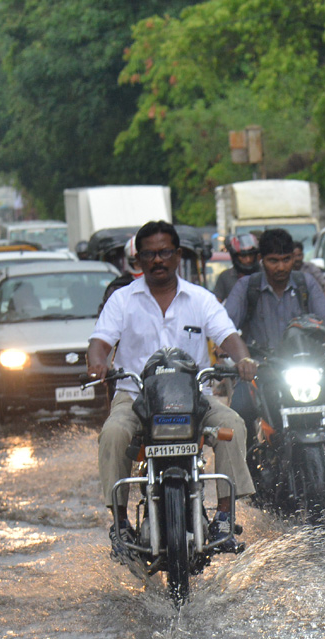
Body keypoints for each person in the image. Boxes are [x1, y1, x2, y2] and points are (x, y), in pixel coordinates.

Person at [87, 220, 257, 556]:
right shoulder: (122, 300)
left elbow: (228, 336)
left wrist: (244, 360)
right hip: (135, 397)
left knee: (233, 426)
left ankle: (224, 516)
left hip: (193, 397)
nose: (157, 260)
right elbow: (100, 342)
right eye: (149, 254)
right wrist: (97, 362)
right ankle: (120, 523)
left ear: (178, 255)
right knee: (112, 434)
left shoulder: (201, 299)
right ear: (139, 260)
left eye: (165, 252)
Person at [223, 227, 325, 491]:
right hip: (263, 370)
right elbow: (225, 327)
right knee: (239, 411)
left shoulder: (305, 283)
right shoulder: (247, 287)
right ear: (262, 260)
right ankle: (251, 472)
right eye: (273, 260)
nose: (280, 266)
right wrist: (232, 353)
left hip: (308, 366)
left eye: (286, 259)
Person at [213, 233, 260, 303]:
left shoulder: (265, 273)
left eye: (251, 255)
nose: (248, 260)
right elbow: (215, 304)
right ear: (235, 257)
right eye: (243, 256)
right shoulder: (226, 277)